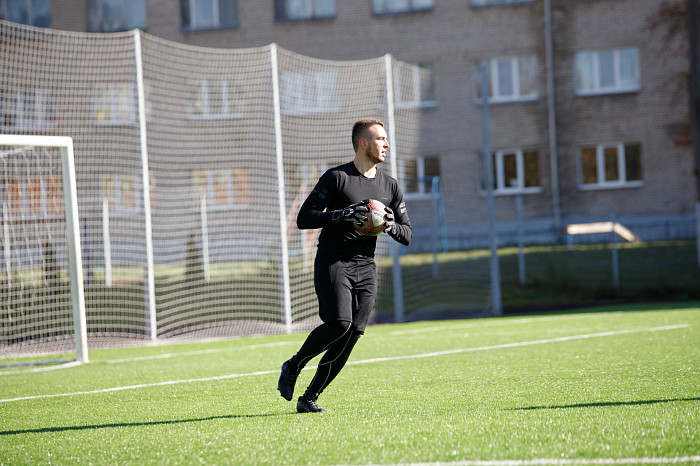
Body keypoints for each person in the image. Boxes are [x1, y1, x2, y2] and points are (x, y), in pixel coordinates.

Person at [277, 118, 412, 413]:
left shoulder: (390, 185)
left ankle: (309, 398)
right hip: (333, 260)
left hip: (366, 266)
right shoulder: (337, 178)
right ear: (363, 143)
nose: (386, 144)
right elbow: (305, 218)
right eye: (381, 139)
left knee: (351, 335)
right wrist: (342, 214)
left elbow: (408, 234)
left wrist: (388, 225)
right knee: (340, 322)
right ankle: (294, 365)